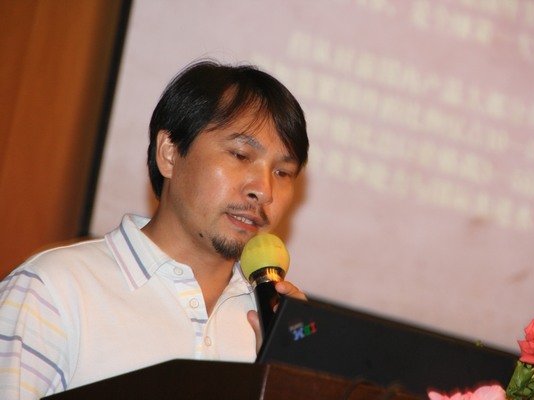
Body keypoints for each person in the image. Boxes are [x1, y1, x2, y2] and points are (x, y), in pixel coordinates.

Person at [0, 60, 310, 399]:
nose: (264, 191)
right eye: (240, 155)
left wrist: (291, 378)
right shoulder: (54, 290)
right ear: (169, 154)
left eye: (282, 173)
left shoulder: (277, 326)